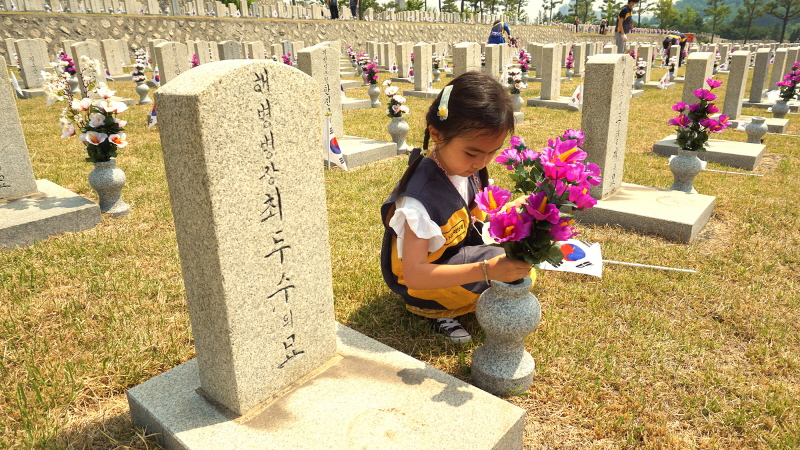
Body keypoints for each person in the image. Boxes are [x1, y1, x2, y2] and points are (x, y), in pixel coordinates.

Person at [380, 72, 533, 343]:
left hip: (457, 251)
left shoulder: (463, 168)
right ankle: (436, 309)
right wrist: (487, 270)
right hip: (426, 277)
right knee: (507, 266)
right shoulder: (419, 201)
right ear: (437, 135)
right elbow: (414, 274)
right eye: (472, 153)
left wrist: (510, 209)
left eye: (492, 152)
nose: (482, 162)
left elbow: (473, 217)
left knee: (520, 256)